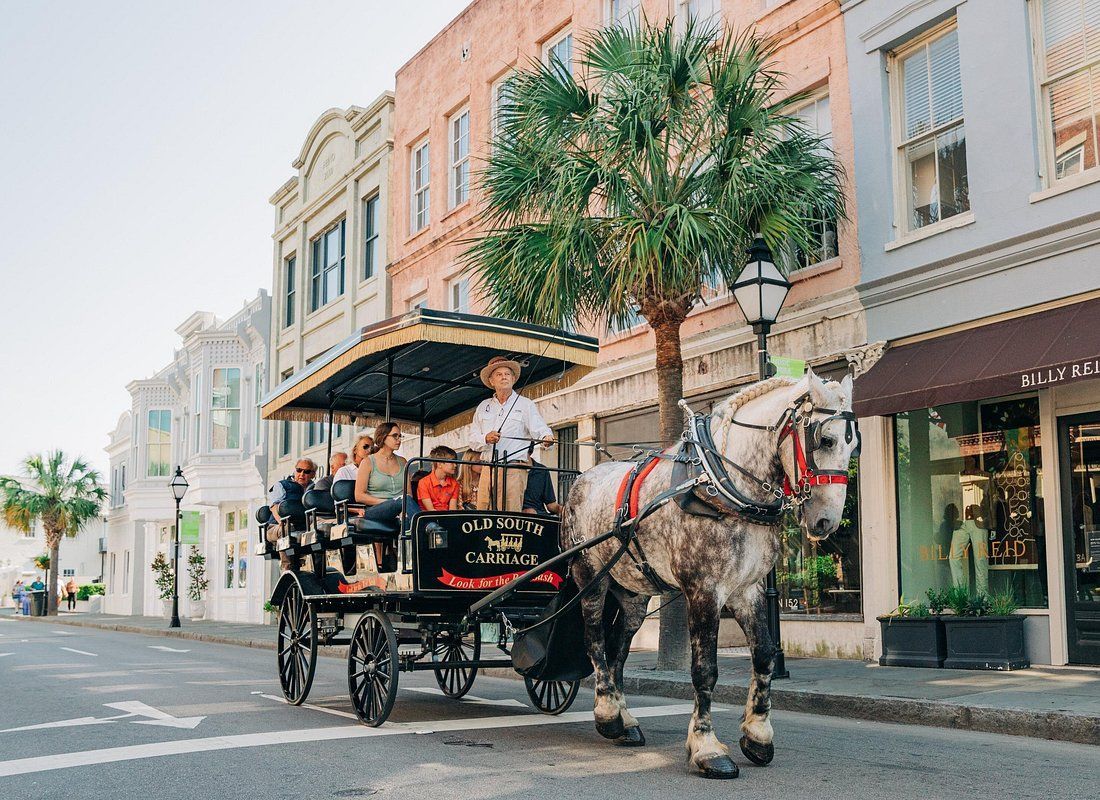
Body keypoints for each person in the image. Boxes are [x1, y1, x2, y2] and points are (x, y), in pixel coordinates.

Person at [469, 355, 553, 511]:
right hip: (488, 468)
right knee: (483, 511)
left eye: (507, 374)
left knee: (510, 511)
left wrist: (546, 437)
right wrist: (486, 438)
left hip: (514, 468)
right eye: (499, 374)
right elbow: (472, 440)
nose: (504, 377)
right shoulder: (483, 406)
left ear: (513, 379)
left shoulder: (525, 404)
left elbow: (540, 427)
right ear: (491, 381)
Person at [353, 421, 420, 525]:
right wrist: (390, 503)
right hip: (376, 509)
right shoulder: (367, 462)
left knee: (405, 512)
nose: (399, 439)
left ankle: (414, 534)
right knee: (404, 501)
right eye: (395, 436)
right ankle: (428, 527)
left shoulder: (403, 462)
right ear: (383, 437)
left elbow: (409, 493)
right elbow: (359, 496)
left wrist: (399, 506)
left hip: (401, 507)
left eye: (400, 436)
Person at [267, 458, 316, 529]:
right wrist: (281, 522)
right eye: (299, 470)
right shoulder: (282, 485)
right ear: (295, 471)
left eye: (306, 471)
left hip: (304, 527)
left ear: (313, 474)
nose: (302, 474)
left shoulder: (315, 489)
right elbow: (274, 507)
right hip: (278, 525)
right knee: (288, 530)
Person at [417, 446, 461, 511]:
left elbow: (452, 509)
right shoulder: (423, 482)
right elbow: (430, 510)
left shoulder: (454, 484)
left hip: (446, 515)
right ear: (439, 464)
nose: (455, 465)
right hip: (429, 515)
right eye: (451, 462)